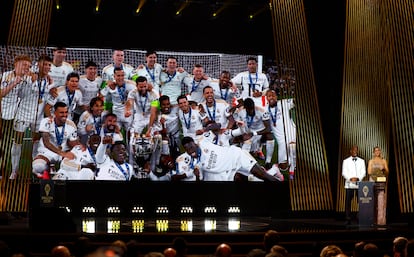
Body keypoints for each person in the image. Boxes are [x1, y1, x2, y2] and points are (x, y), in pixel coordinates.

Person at [181, 136, 278, 181]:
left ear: (195, 143)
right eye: (187, 149)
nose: (190, 151)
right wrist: (197, 176)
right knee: (251, 179)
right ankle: (274, 170)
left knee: (260, 174)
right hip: (228, 172)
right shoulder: (194, 163)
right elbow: (200, 178)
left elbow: (216, 127)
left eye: (191, 147)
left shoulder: (203, 141)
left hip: (237, 156)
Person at [0, 55, 35, 179]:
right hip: (2, 113)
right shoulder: (6, 76)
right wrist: (14, 83)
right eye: (24, 65)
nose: (27, 68)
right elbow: (1, 94)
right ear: (16, 64)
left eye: (29, 66)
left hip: (11, 116)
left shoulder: (26, 78)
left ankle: (5, 170)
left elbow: (22, 95)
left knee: (6, 145)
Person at [32, 102, 78, 178]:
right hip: (47, 151)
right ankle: (47, 169)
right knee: (38, 166)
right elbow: (46, 143)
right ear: (54, 113)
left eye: (66, 112)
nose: (64, 115)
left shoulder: (71, 124)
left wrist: (72, 152)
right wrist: (61, 153)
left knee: (74, 165)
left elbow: (73, 144)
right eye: (61, 113)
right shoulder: (46, 121)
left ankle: (59, 172)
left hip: (64, 152)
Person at [100, 67, 136, 135]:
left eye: (122, 75)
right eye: (118, 76)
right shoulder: (110, 85)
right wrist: (103, 108)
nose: (120, 78)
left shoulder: (131, 85)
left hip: (129, 114)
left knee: (130, 135)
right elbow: (101, 95)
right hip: (116, 115)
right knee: (115, 134)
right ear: (114, 76)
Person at [342, 145, 366, 225]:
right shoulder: (346, 161)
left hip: (359, 184)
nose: (355, 151)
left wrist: (358, 178)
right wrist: (350, 178)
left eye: (356, 150)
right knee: (348, 202)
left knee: (360, 201)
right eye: (354, 150)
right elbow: (344, 173)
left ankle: (360, 217)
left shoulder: (362, 161)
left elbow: (364, 172)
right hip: (349, 184)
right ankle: (348, 218)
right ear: (351, 151)